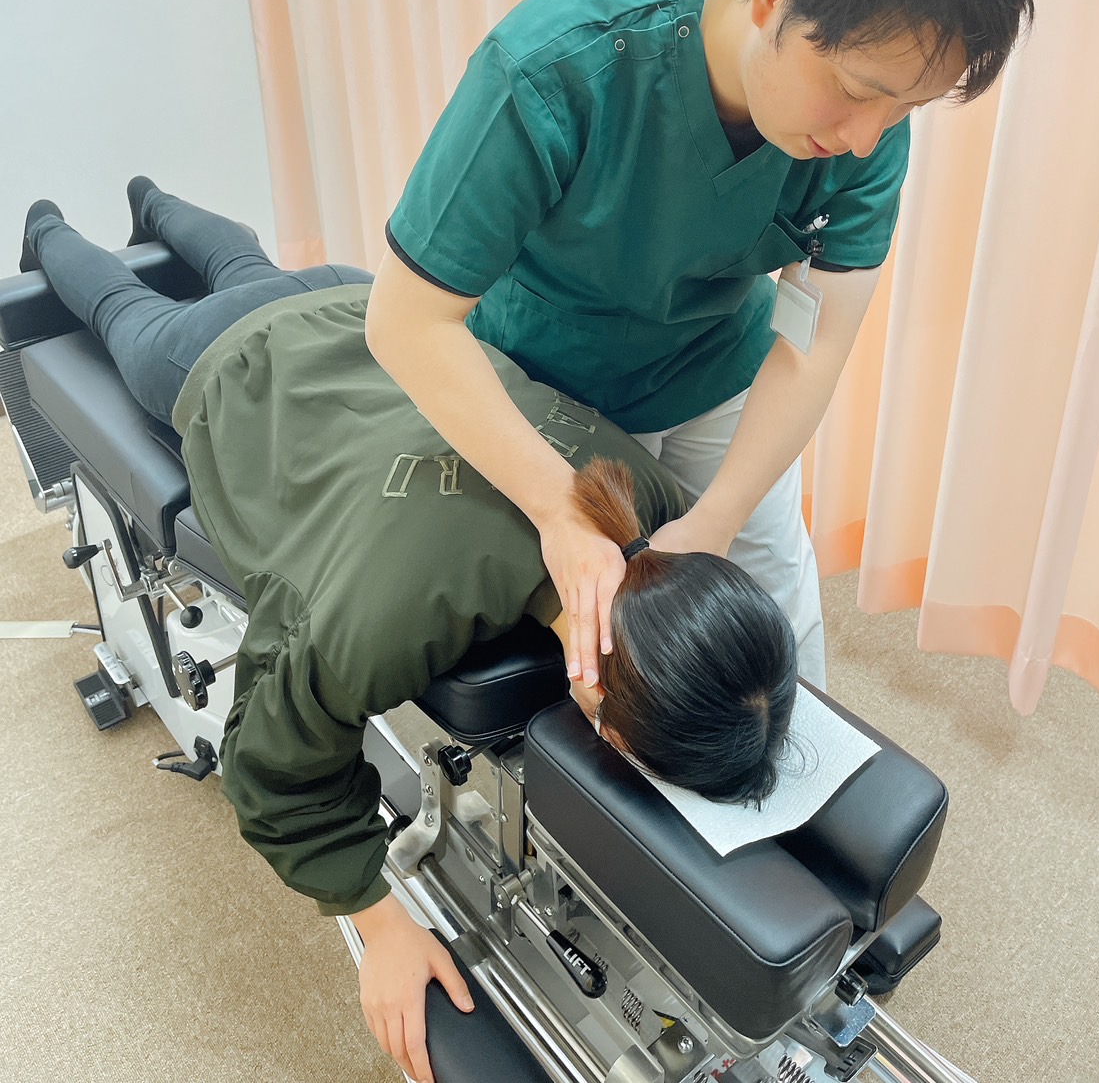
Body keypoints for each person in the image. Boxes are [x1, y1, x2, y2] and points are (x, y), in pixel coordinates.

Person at [19, 182, 797, 1083]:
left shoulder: (655, 504)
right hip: (232, 362)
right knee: (121, 309)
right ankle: (45, 226)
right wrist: (380, 921)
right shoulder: (385, 616)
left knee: (245, 262)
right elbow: (269, 770)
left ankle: (152, 201)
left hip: (356, 304)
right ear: (594, 693)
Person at [366, 0, 1042, 701]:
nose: (865, 139)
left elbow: (813, 341)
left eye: (905, 106)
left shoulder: (869, 123)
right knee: (619, 662)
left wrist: (718, 517)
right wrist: (555, 505)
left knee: (779, 622)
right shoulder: (554, 67)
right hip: (553, 380)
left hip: (719, 365)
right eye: (857, 91)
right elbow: (407, 320)